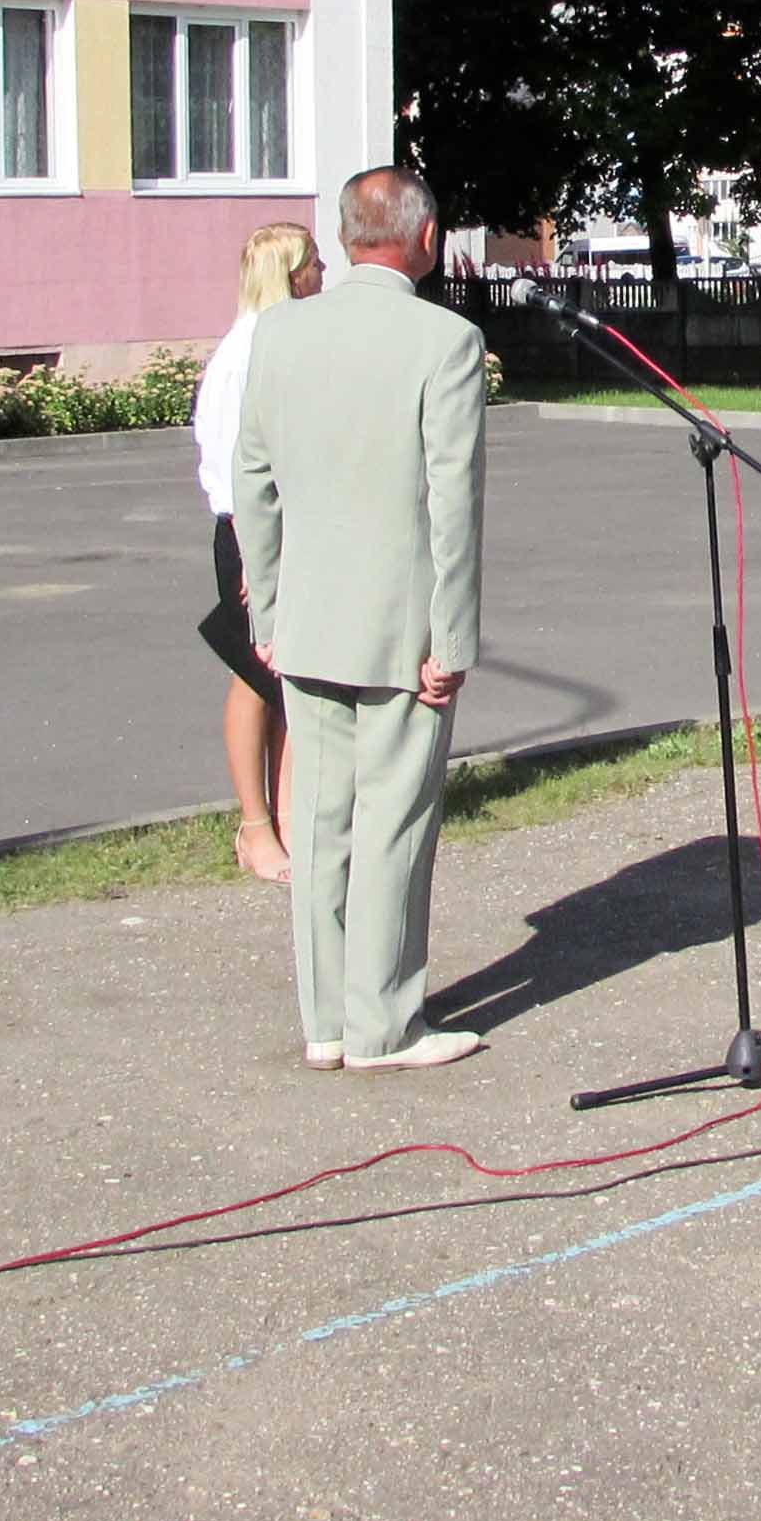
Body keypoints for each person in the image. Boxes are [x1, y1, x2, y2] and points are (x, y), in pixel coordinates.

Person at [230, 165, 490, 1071]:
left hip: (306, 617)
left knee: (320, 819)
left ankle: (326, 1020)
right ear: (424, 238)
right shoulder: (446, 341)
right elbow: (451, 503)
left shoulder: (280, 334)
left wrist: (267, 606)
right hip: (403, 630)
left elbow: (250, 484)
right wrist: (452, 637)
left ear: (345, 239)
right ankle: (383, 1025)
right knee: (392, 823)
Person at [191, 220, 324, 882]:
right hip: (251, 535)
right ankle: (255, 825)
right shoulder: (246, 351)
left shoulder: (286, 343)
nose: (323, 275)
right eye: (314, 264)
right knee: (255, 674)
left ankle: (292, 813)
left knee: (291, 678)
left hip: (288, 531)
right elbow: (231, 462)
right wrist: (253, 552)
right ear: (289, 275)